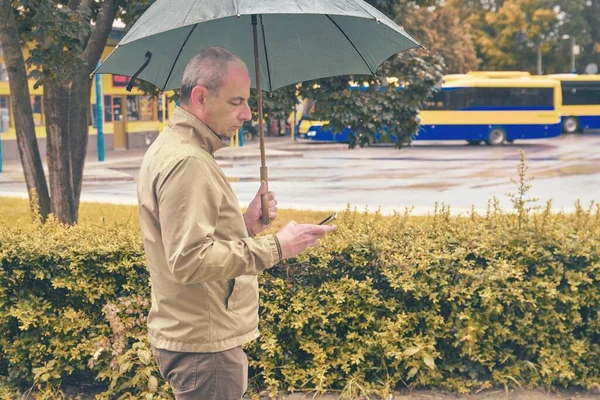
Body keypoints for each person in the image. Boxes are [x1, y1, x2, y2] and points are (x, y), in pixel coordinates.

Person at [137, 47, 336, 400]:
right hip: (204, 345)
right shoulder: (188, 162)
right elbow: (189, 260)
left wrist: (244, 226)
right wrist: (277, 246)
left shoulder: (178, 148)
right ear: (200, 97)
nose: (246, 114)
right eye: (236, 102)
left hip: (197, 334)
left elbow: (188, 242)